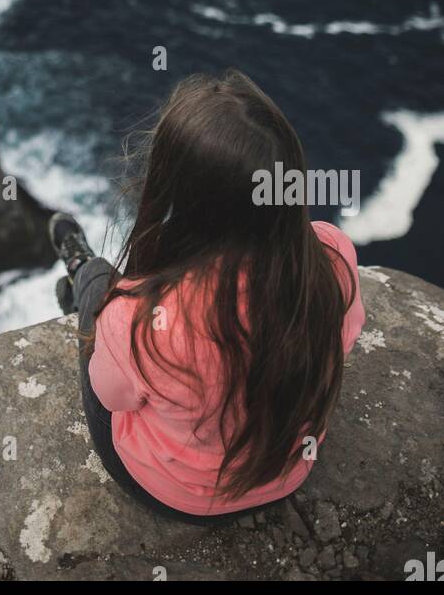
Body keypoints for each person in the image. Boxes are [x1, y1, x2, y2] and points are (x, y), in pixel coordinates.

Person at [48, 70, 365, 524]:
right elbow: (345, 339)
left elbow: (113, 398)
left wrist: (111, 322)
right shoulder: (334, 257)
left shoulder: (137, 316)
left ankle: (78, 266)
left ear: (179, 195)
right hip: (287, 477)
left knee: (98, 290)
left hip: (174, 494)